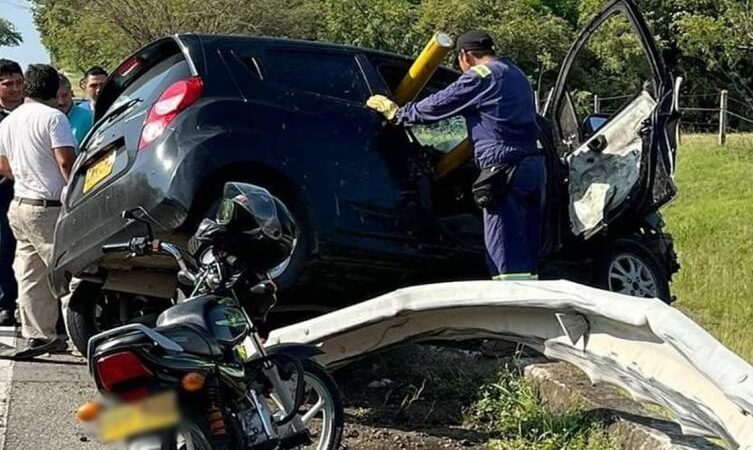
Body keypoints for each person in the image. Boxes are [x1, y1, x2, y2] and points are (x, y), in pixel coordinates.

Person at [367, 30, 546, 280]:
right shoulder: (515, 73)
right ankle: (533, 303)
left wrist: (400, 114)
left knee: (503, 251)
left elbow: (441, 103)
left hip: (504, 171)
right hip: (534, 168)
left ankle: (510, 305)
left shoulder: (481, 76)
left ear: (465, 56)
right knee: (526, 248)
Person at [0, 64, 76, 358]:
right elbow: (66, 161)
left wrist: (27, 175)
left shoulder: (10, 121)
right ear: (54, 90)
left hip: (20, 203)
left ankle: (38, 335)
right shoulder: (54, 118)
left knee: (30, 273)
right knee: (68, 271)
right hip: (49, 207)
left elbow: (3, 165)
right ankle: (76, 334)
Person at [0, 59, 23, 325]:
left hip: (34, 191)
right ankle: (6, 302)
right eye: (8, 84)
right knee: (4, 249)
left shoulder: (32, 112)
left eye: (19, 83)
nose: (15, 89)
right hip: (5, 191)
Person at [57, 73, 93, 152]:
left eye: (65, 95)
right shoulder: (46, 120)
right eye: (56, 97)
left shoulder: (89, 118)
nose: (61, 101)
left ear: (71, 93)